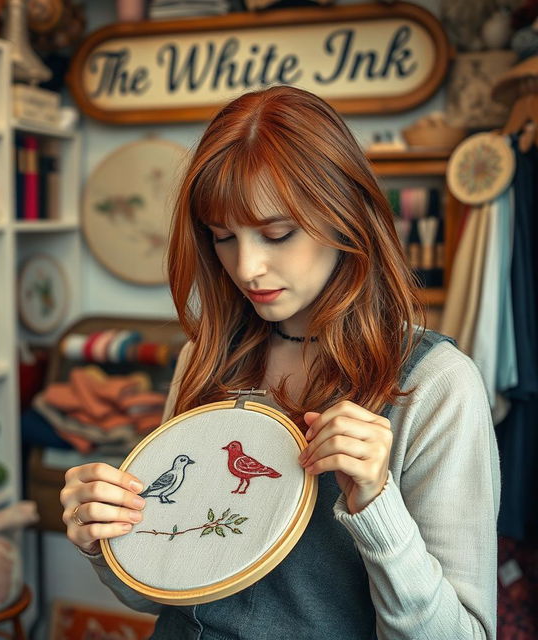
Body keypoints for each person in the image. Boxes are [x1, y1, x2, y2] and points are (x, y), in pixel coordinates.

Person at [60, 85, 500, 640]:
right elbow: (160, 597)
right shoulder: (206, 358)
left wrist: (376, 504)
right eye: (223, 237)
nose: (247, 268)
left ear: (344, 215)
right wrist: (103, 539)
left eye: (277, 234)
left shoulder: (434, 384)